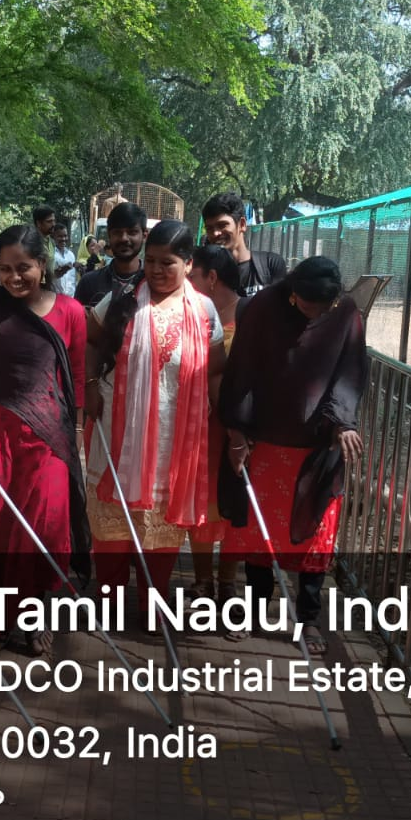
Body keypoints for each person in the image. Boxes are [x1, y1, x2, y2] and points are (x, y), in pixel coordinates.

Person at [0, 224, 90, 653]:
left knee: (45, 530)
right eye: (5, 269)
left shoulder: (70, 311)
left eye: (23, 267)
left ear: (42, 265)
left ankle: (36, 613)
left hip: (50, 442)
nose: (13, 278)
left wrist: (76, 435)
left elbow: (76, 380)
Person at [218, 256, 368, 656]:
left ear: (335, 301)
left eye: (321, 308)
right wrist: (238, 433)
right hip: (267, 442)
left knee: (314, 538)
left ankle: (307, 620)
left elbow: (349, 371)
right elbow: (242, 370)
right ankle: (253, 612)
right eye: (304, 305)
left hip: (319, 445)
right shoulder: (264, 306)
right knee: (260, 535)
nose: (311, 314)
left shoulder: (347, 313)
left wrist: (344, 423)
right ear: (291, 292)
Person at [84, 221, 226, 610]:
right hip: (119, 432)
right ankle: (109, 598)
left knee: (160, 528)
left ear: (188, 262)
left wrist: (227, 422)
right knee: (112, 522)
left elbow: (214, 370)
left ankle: (153, 601)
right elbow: (91, 340)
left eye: (169, 262)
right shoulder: (123, 298)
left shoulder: (203, 310)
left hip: (174, 441)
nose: (157, 270)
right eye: (151, 261)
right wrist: (91, 385)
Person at [187, 244, 243, 605]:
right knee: (202, 503)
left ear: (211, 277)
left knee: (235, 504)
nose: (186, 282)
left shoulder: (250, 316)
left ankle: (228, 581)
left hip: (237, 426)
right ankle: (203, 580)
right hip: (200, 426)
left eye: (192, 276)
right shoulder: (191, 312)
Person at [201, 191, 286, 297]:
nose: (215, 233)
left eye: (222, 225)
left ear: (242, 224)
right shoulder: (205, 273)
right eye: (209, 228)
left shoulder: (270, 265)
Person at [74, 200, 147, 308]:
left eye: (132, 232)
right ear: (109, 235)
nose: (124, 238)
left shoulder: (153, 283)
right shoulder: (89, 283)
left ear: (144, 236)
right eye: (117, 232)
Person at [31, 203, 58, 288]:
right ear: (39, 223)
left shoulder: (51, 242)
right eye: (49, 221)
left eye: (54, 220)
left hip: (49, 287)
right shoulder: (31, 242)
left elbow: (50, 270)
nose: (53, 224)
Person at [51, 223, 78, 297]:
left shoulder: (71, 255)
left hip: (71, 297)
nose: (63, 239)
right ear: (53, 237)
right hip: (56, 298)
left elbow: (72, 278)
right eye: (60, 236)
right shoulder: (51, 255)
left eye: (65, 236)